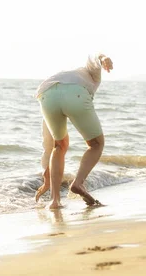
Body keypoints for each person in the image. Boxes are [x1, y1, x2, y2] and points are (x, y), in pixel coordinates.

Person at [34, 53, 113, 209]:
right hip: (75, 94)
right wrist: (103, 59)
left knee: (59, 145)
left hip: (45, 95)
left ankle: (55, 201)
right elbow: (94, 59)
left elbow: (48, 140)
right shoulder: (90, 75)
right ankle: (78, 184)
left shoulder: (59, 78)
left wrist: (47, 176)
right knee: (96, 144)